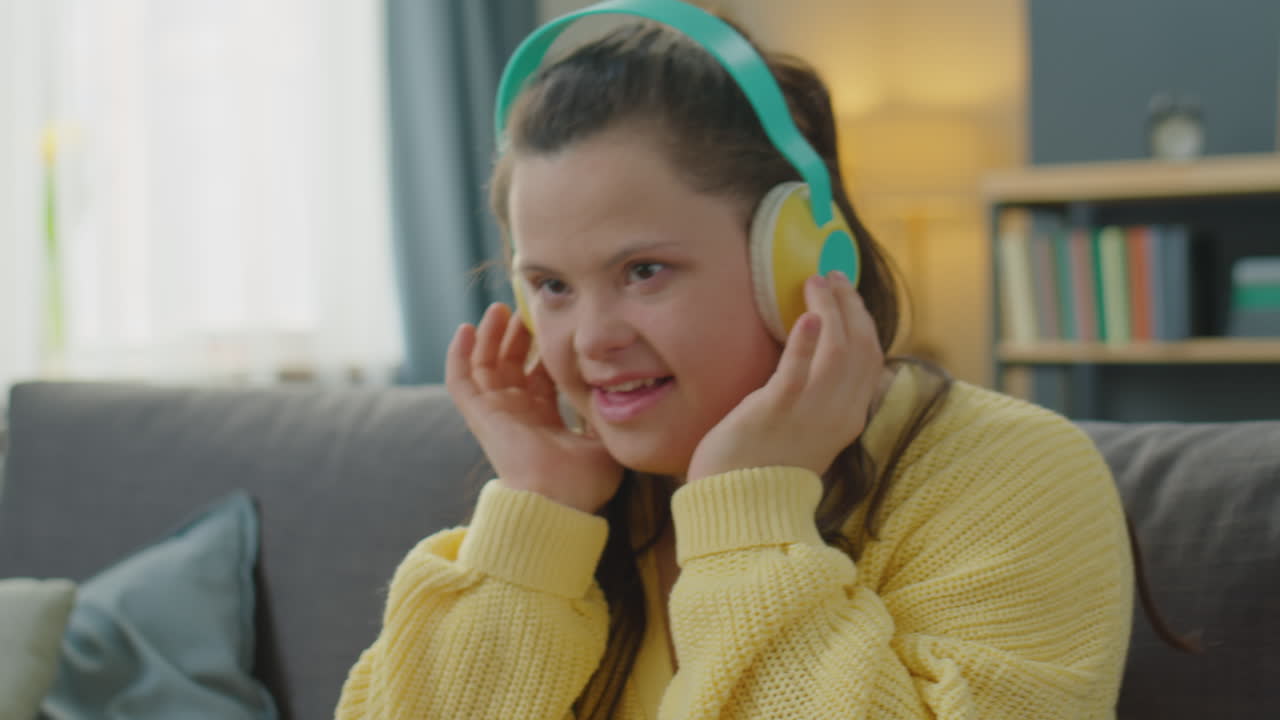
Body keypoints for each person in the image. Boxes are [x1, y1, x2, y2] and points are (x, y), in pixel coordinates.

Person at [338, 4, 1138, 718]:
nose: (590, 341)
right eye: (551, 285)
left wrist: (749, 515)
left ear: (792, 262)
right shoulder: (579, 501)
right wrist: (540, 512)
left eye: (642, 271)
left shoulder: (1010, 472)